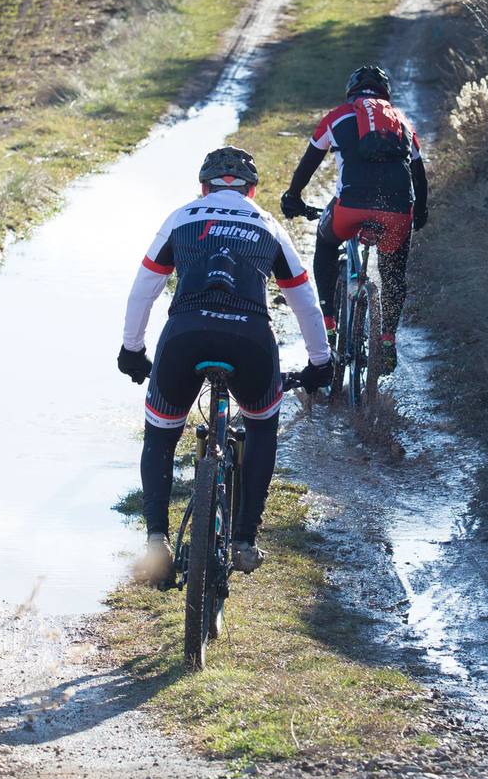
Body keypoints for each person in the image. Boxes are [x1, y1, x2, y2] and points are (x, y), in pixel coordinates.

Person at [118, 146, 333, 580]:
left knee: (160, 435)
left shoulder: (181, 217)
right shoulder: (268, 224)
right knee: (260, 426)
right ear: (252, 189)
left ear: (203, 187)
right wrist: (320, 361)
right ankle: (244, 540)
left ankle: (156, 540)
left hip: (185, 336)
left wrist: (132, 350)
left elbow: (144, 288)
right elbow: (305, 302)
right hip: (250, 340)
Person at [278, 64, 429, 374]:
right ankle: (387, 340)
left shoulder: (338, 116)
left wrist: (293, 197)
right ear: (386, 94)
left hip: (350, 210)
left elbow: (308, 163)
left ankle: (330, 325)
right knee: (393, 273)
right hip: (398, 211)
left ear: (351, 92)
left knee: (324, 243)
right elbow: (419, 175)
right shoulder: (402, 121)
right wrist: (421, 213)